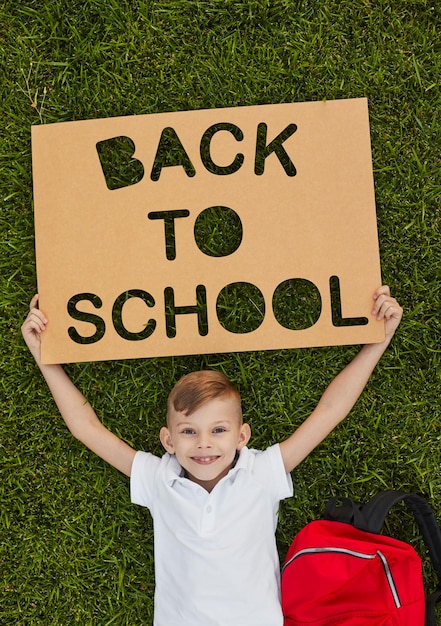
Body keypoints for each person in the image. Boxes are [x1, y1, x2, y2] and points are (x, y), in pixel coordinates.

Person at [21, 286, 403, 626]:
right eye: (189, 431)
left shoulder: (262, 473)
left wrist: (377, 342)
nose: (204, 444)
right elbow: (86, 428)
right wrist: (44, 357)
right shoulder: (158, 479)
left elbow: (329, 411)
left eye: (218, 430)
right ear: (168, 440)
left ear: (241, 436)